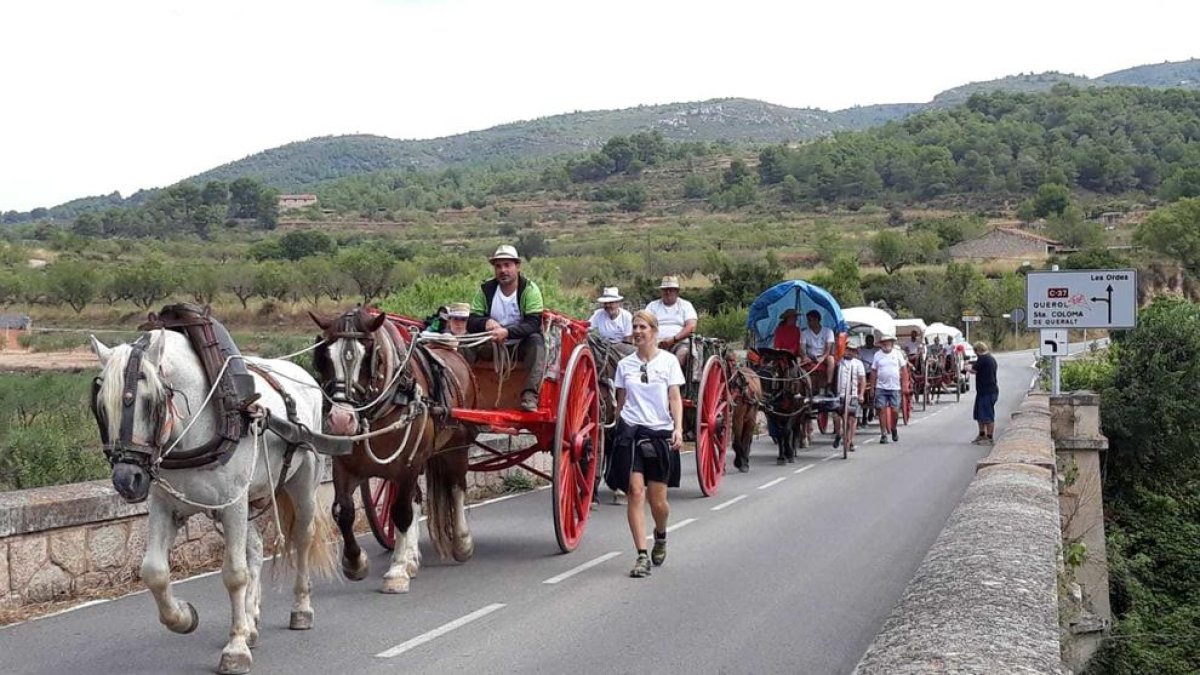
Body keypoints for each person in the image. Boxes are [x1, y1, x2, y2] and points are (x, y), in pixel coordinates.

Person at [609, 310, 684, 578]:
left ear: (654, 331)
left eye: (643, 327)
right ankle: (641, 555)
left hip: (659, 433)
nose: (638, 331)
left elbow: (674, 397)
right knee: (635, 491)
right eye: (635, 327)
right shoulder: (624, 365)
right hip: (631, 432)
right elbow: (621, 400)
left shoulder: (669, 362)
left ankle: (660, 534)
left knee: (658, 502)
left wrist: (678, 428)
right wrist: (616, 427)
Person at [465, 245, 546, 412]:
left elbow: (533, 323)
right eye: (498, 266)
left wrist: (507, 332)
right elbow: (472, 321)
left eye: (507, 265)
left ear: (517, 266)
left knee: (537, 343)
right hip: (491, 344)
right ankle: (463, 391)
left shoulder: (530, 290)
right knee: (466, 344)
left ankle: (530, 396)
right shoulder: (486, 289)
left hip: (520, 346)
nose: (503, 270)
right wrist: (486, 322)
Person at [645, 276, 697, 370]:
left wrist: (674, 339)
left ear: (677, 291)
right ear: (661, 291)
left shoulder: (686, 305)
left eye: (671, 290)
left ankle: (674, 380)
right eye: (665, 290)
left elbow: (691, 326)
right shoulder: (652, 306)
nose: (668, 292)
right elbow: (644, 322)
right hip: (656, 343)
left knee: (683, 353)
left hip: (679, 342)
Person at [832, 336, 867, 453]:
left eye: (852, 350)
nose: (849, 352)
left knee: (852, 419)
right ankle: (838, 434)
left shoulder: (858, 364)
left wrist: (861, 394)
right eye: (847, 349)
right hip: (839, 395)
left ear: (855, 352)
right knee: (836, 417)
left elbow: (862, 380)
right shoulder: (839, 361)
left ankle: (850, 441)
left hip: (853, 395)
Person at [870, 333, 906, 444]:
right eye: (884, 342)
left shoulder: (897, 354)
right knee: (881, 410)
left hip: (895, 387)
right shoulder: (877, 355)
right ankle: (883, 434)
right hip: (881, 387)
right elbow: (873, 371)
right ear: (881, 344)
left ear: (892, 343)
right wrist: (872, 387)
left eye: (888, 342)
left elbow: (904, 369)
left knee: (895, 410)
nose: (886, 344)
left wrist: (904, 385)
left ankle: (893, 428)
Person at [589, 286, 634, 356]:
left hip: (621, 345)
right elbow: (587, 326)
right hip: (603, 345)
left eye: (611, 303)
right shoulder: (598, 314)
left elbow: (628, 339)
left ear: (618, 303)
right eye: (605, 303)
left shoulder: (626, 316)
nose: (607, 306)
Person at [970, 341, 999, 445]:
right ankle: (982, 434)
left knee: (987, 415)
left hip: (987, 391)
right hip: (986, 391)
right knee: (979, 414)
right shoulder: (990, 358)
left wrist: (966, 368)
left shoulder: (983, 359)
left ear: (978, 350)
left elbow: (973, 370)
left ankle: (989, 437)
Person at [801, 310, 836, 392]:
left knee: (831, 359)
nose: (808, 323)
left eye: (810, 320)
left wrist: (823, 357)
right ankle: (799, 387)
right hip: (810, 356)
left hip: (823, 356)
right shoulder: (804, 332)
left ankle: (829, 385)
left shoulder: (828, 331)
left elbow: (828, 348)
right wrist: (804, 356)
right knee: (797, 361)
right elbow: (801, 348)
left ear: (816, 320)